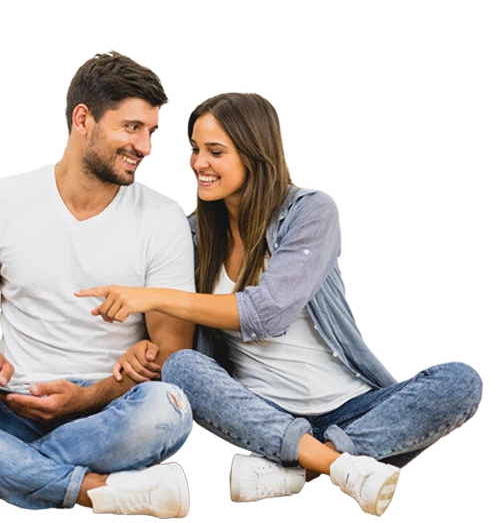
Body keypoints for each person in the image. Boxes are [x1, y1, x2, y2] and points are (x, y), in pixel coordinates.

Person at [78, 91, 484, 518]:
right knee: (181, 367)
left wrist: (151, 296)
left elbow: (267, 313)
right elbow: (175, 335)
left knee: (460, 381)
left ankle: (300, 464)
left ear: (255, 155)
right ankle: (334, 466)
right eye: (195, 149)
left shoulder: (309, 213)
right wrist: (138, 345)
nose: (199, 163)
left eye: (215, 151)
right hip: (260, 414)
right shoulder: (194, 237)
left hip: (350, 410)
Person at [0, 51, 197, 518]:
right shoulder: (4, 201)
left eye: (150, 131)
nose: (145, 147)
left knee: (169, 408)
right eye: (131, 128)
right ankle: (87, 487)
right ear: (82, 119)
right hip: (10, 400)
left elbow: (169, 353)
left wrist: (89, 395)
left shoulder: (161, 221)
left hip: (106, 408)